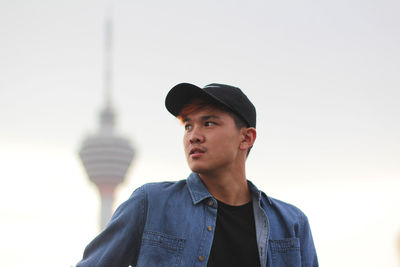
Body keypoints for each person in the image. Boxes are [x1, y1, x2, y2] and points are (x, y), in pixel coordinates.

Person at [76, 82, 319, 267]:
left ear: (246, 138)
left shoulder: (290, 224)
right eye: (188, 126)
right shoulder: (151, 203)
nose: (193, 136)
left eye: (209, 123)